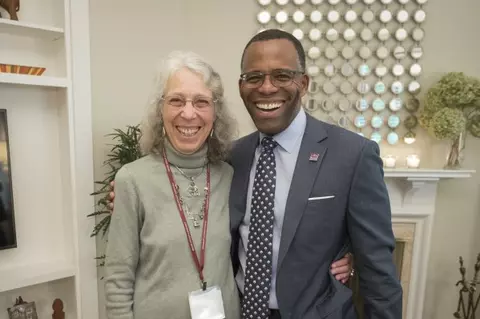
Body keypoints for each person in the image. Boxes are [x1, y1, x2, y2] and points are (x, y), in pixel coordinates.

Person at [103, 50, 353, 319]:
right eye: (176, 100)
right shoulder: (133, 180)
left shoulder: (232, 173)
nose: (188, 114)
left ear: (215, 112)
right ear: (160, 109)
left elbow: (282, 226)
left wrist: (347, 255)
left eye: (201, 102)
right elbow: (118, 279)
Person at [229, 29, 403, 319]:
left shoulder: (353, 155)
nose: (267, 88)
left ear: (304, 83)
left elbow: (378, 269)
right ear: (241, 85)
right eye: (254, 77)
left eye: (282, 75)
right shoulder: (233, 156)